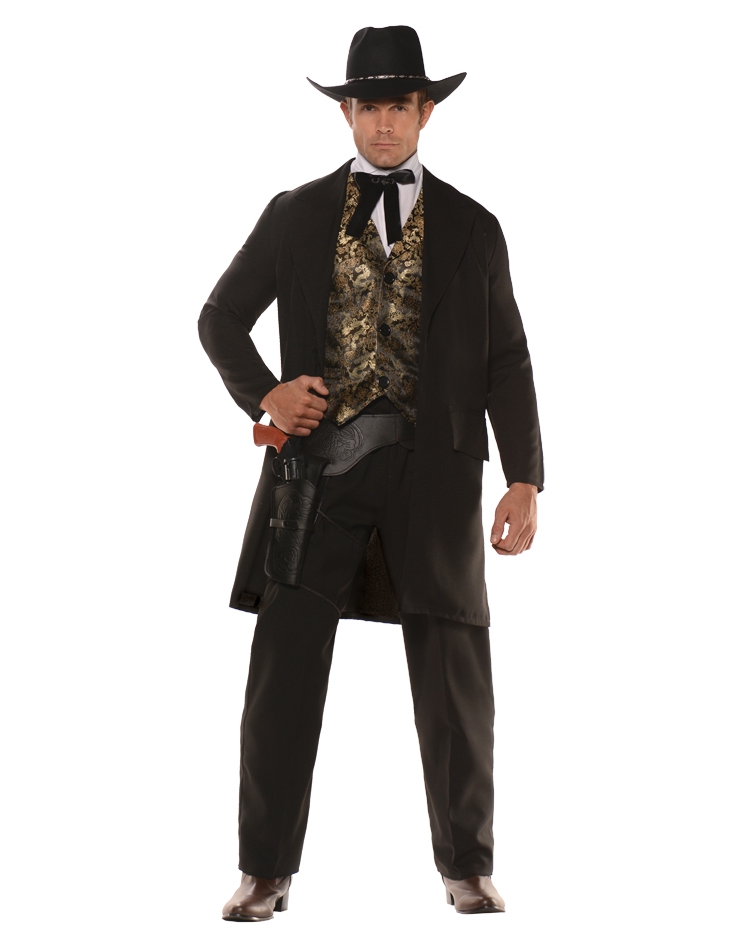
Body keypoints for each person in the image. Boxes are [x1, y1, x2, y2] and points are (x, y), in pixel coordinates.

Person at [198, 25, 544, 921]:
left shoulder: (474, 227)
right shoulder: (295, 213)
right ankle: (264, 870)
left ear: (425, 113)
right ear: (346, 113)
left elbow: (507, 358)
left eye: (399, 106)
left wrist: (525, 475)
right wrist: (266, 394)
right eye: (368, 107)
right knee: (283, 674)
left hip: (436, 478)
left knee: (455, 676)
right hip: (318, 475)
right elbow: (219, 317)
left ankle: (467, 865)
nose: (383, 124)